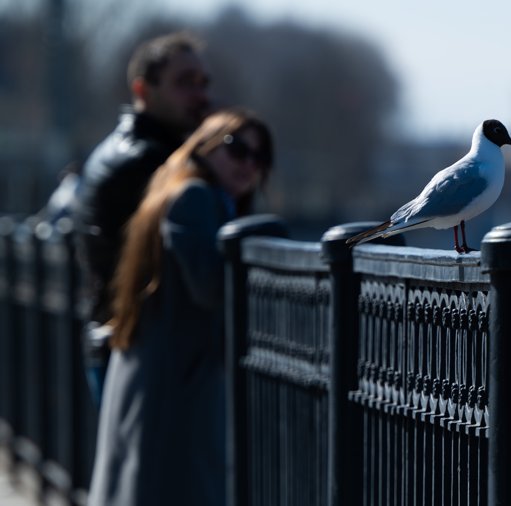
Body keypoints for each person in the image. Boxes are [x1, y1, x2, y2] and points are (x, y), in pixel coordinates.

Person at [87, 108, 274, 506]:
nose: (249, 164)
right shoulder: (195, 196)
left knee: (147, 480)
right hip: (175, 376)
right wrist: (252, 240)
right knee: (173, 483)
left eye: (259, 158)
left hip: (160, 366)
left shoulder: (178, 189)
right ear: (204, 146)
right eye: (237, 149)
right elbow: (208, 287)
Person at [72, 32, 211, 405]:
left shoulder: (122, 149)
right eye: (184, 83)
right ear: (142, 89)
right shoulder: (145, 163)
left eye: (203, 82)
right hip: (142, 353)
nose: (201, 95)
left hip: (124, 346)